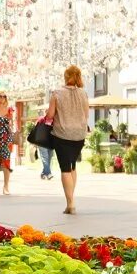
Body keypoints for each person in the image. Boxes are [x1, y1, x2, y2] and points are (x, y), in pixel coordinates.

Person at [43, 64, 90, 216]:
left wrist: (48, 113)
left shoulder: (57, 93)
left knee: (65, 169)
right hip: (79, 135)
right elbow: (86, 114)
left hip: (62, 134)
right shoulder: (83, 93)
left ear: (66, 77)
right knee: (72, 166)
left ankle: (70, 203)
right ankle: (71, 199)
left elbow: (50, 116)